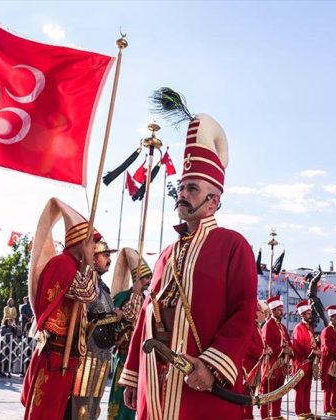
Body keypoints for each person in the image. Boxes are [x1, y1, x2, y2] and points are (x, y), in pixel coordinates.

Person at [118, 102, 257, 420]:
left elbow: (243, 312)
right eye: (181, 187)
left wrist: (211, 365)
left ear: (214, 201)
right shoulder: (166, 253)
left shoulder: (233, 245)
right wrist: (134, 374)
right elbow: (146, 315)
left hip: (201, 384)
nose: (183, 193)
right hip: (154, 383)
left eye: (192, 188)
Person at [20, 198, 102, 420]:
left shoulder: (75, 267)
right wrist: (88, 265)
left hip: (68, 355)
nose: (94, 250)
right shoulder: (63, 264)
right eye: (92, 243)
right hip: (56, 354)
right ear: (79, 243)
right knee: (45, 414)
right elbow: (88, 294)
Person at [68, 238, 120, 420]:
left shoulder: (103, 287)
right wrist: (116, 316)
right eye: (105, 255)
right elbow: (89, 315)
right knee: (81, 406)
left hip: (103, 352)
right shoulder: (86, 281)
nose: (109, 260)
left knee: (94, 407)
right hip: (87, 352)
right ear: (93, 256)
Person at [108, 247, 153, 420]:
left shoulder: (147, 298)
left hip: (142, 358)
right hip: (125, 357)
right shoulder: (123, 297)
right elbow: (131, 316)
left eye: (149, 277)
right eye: (146, 278)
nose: (148, 281)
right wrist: (134, 293)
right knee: (121, 401)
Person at [291, 299, 320, 420]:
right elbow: (299, 345)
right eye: (308, 313)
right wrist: (313, 352)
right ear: (302, 315)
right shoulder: (299, 328)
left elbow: (312, 343)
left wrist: (317, 347)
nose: (310, 315)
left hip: (310, 362)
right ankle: (300, 412)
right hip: (301, 362)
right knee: (300, 388)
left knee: (308, 387)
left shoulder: (310, 328)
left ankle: (307, 410)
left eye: (310, 313)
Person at [241, 300, 269, 420]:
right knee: (246, 393)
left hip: (255, 364)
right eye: (263, 312)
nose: (265, 315)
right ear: (256, 313)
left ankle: (249, 416)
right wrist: (263, 351)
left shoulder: (256, 326)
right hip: (248, 366)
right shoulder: (250, 326)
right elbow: (248, 345)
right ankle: (246, 416)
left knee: (251, 393)